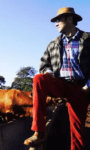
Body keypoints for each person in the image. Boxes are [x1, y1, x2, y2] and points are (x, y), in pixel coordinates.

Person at [24, 7, 90, 150]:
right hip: (61, 84)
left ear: (70, 19)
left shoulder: (88, 39)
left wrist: (88, 87)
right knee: (39, 79)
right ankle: (38, 132)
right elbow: (44, 64)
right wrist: (48, 72)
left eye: (58, 20)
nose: (56, 24)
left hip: (80, 88)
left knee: (77, 131)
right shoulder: (53, 43)